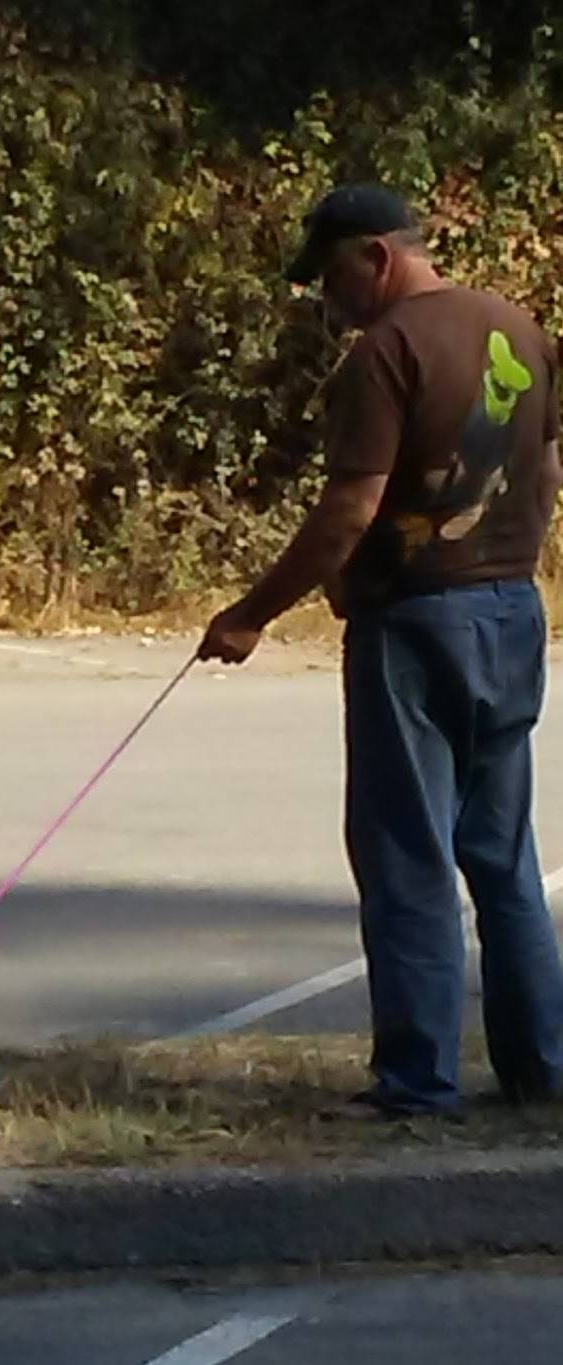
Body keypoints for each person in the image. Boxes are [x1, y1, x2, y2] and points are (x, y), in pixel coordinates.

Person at [198, 183, 563, 1116]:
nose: (330, 297)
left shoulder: (385, 353)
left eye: (331, 275)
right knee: (500, 849)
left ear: (375, 257)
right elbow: (546, 467)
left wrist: (251, 613)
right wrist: (511, 557)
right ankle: (542, 1071)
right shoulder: (517, 327)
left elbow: (349, 510)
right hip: (513, 610)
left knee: (407, 850)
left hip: (417, 624)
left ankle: (417, 1080)